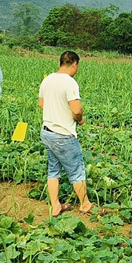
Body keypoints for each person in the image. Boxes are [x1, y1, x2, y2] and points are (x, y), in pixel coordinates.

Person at [39, 51, 94, 216]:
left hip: (47, 132)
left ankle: (55, 206)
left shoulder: (47, 79)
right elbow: (76, 109)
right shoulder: (70, 83)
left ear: (60, 63)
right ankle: (85, 204)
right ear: (75, 64)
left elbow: (42, 105)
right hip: (63, 134)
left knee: (53, 170)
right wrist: (80, 119)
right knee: (76, 170)